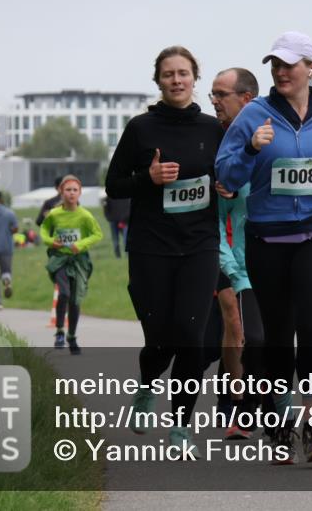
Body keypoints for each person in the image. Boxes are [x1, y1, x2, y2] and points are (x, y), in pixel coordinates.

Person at [216, 31, 312, 464]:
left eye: (289, 64)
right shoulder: (253, 115)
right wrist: (251, 149)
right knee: (278, 335)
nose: (280, 71)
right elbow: (225, 175)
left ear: (311, 68)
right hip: (266, 238)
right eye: (274, 64)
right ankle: (279, 424)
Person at [105, 45, 224, 457]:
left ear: (195, 77)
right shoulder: (141, 128)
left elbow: (229, 175)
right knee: (160, 337)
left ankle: (182, 423)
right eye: (169, 74)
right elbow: (114, 184)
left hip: (199, 244)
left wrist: (226, 183)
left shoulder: (213, 129)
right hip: (151, 245)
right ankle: (146, 383)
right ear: (158, 80)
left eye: (184, 73)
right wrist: (148, 177)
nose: (176, 80)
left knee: (191, 334)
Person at [209, 67, 268, 439]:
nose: (213, 101)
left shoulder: (269, 138)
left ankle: (253, 402)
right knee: (237, 325)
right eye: (212, 94)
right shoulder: (212, 141)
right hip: (223, 253)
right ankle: (235, 405)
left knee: (262, 335)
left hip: (267, 256)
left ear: (246, 100)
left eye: (220, 94)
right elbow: (212, 215)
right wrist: (228, 263)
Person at [40, 176, 103, 353]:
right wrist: (52, 242)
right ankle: (60, 331)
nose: (71, 193)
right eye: (68, 190)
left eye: (75, 190)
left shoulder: (85, 215)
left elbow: (97, 234)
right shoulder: (54, 214)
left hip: (79, 261)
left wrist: (80, 245)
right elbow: (44, 230)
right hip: (59, 259)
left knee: (75, 300)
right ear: (61, 192)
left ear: (80, 193)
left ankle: (72, 337)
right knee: (64, 292)